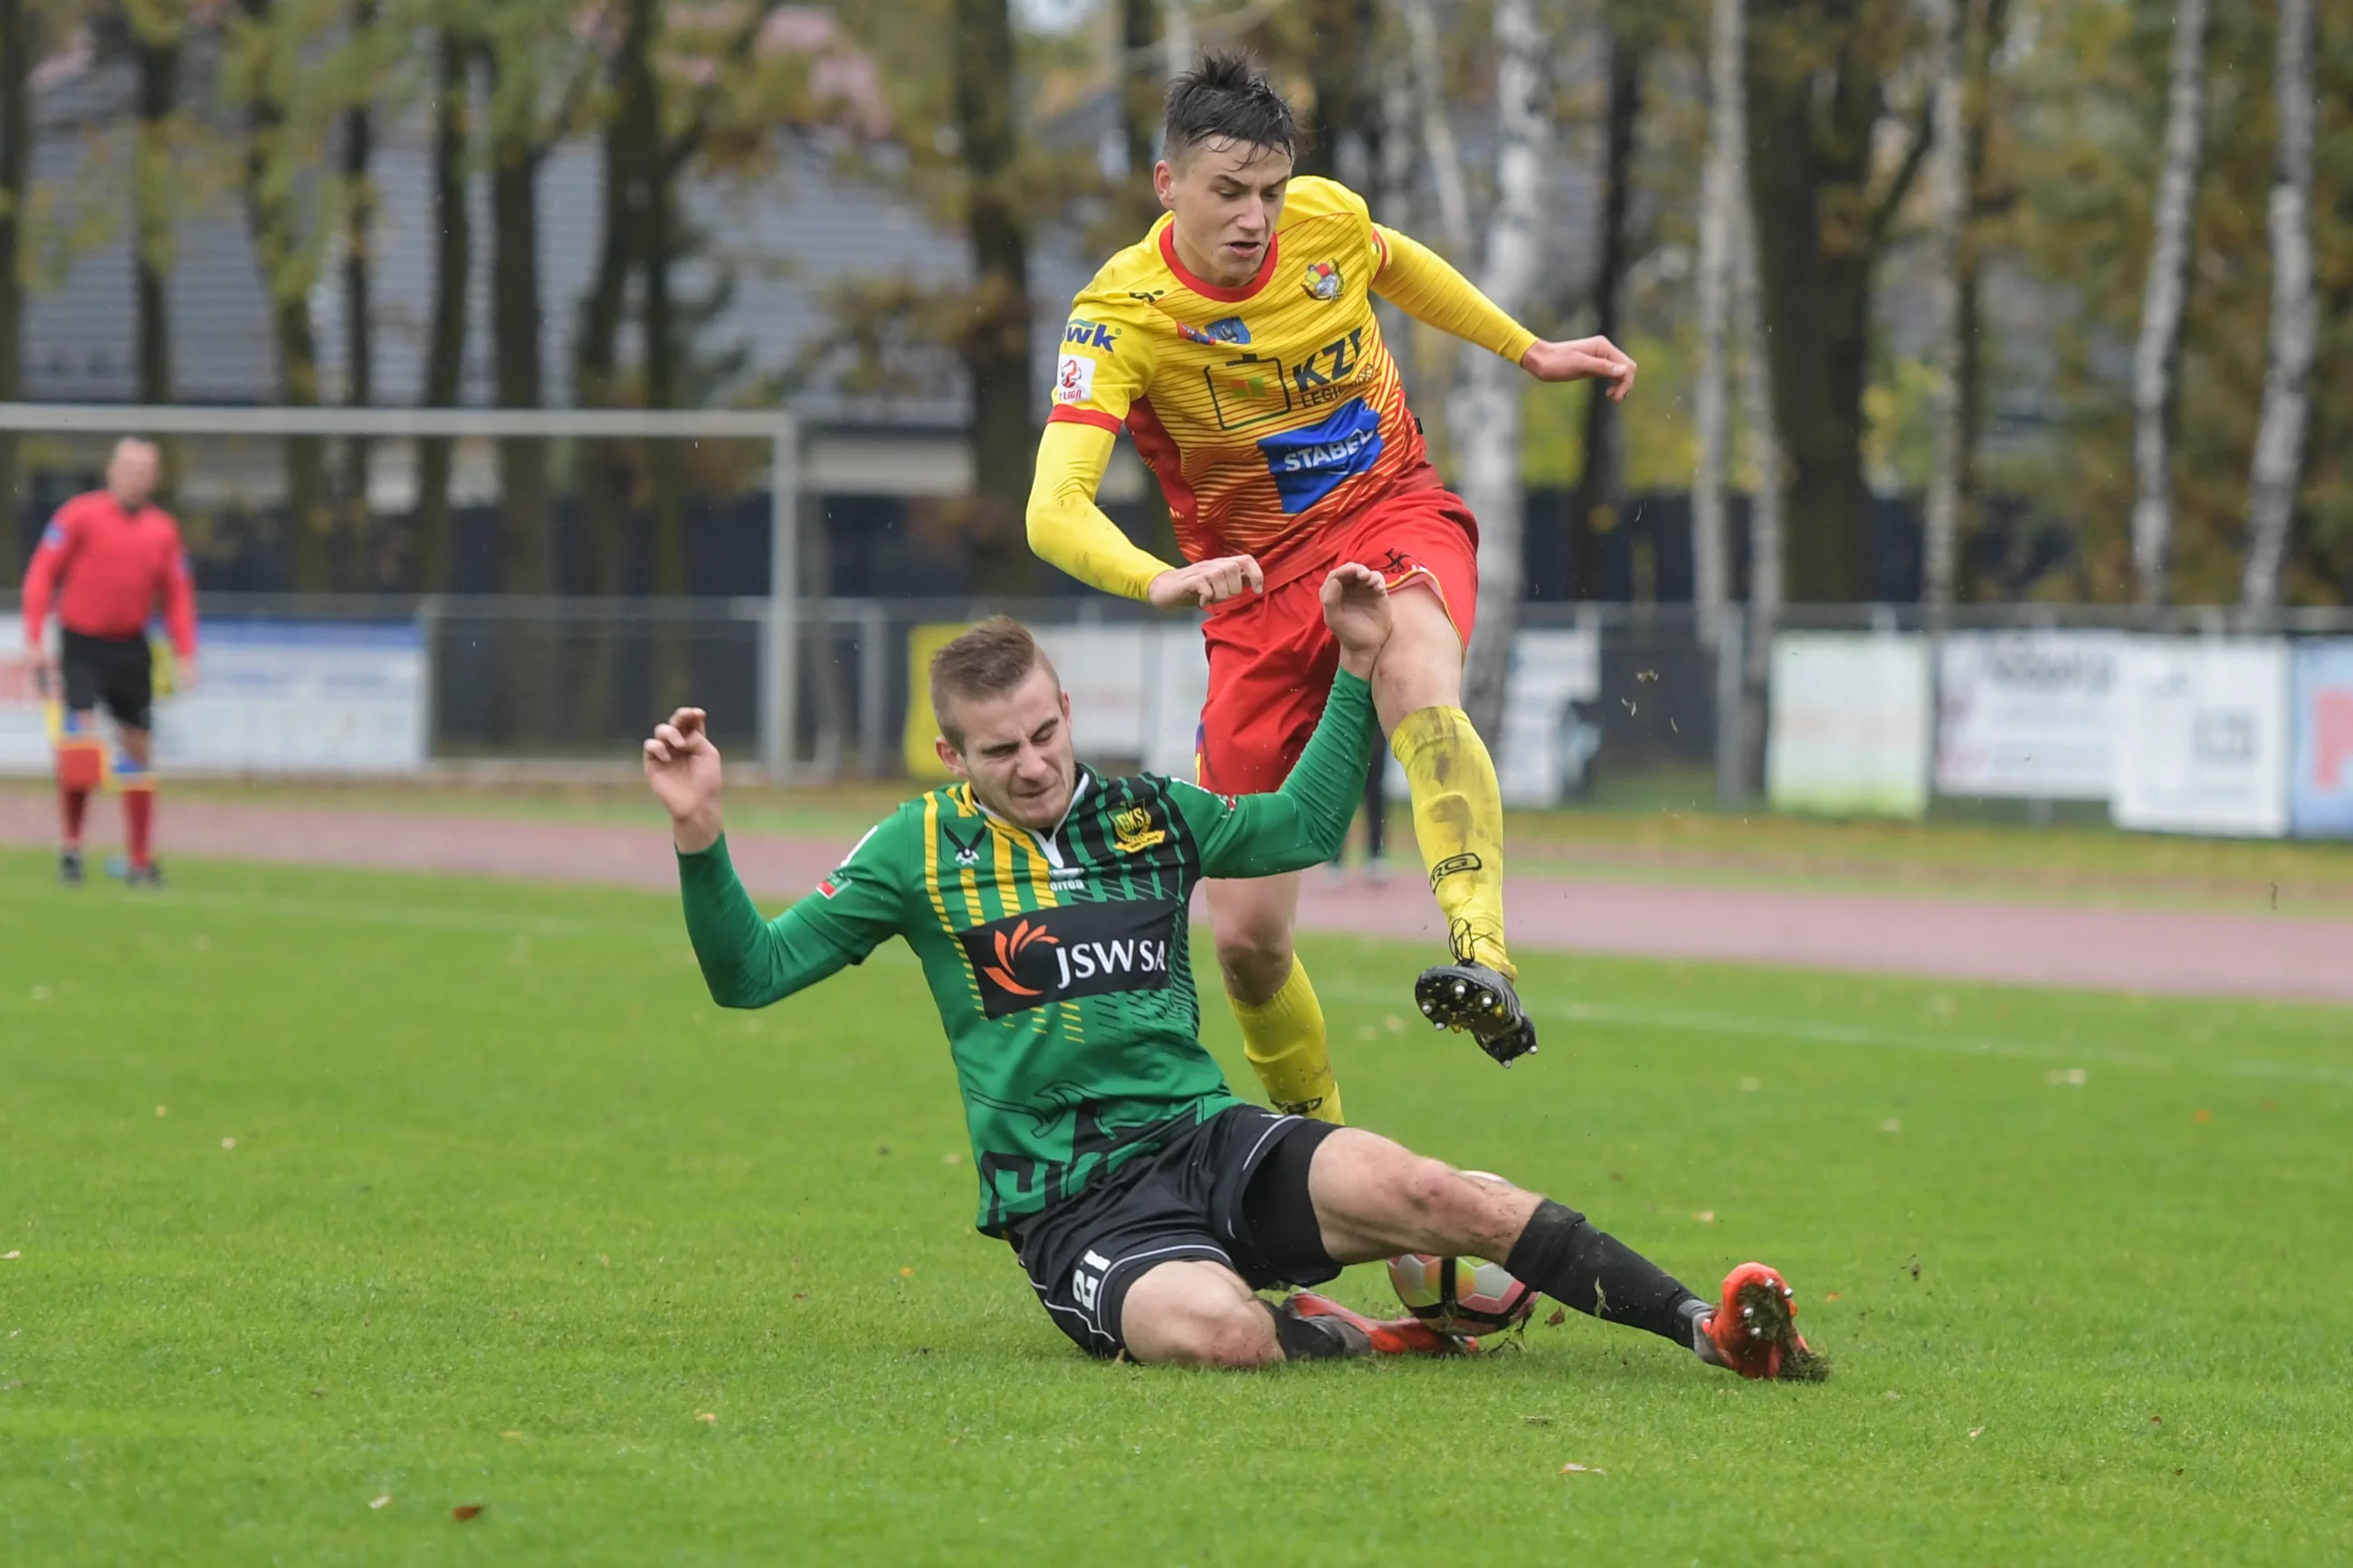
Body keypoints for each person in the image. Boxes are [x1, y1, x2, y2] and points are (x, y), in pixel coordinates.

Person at [643, 565, 1822, 1377]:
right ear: (952, 753)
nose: (1035, 765)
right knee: (1223, 1338)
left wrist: (1359, 667)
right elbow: (751, 972)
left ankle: (1713, 1331)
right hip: (1076, 1204)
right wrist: (702, 837)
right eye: (999, 752)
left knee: (1439, 1194)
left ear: (1064, 705)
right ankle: (1371, 1337)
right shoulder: (917, 849)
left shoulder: (1147, 813)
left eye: (1045, 733)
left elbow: (1305, 824)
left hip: (1210, 1139)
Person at [1024, 51, 1638, 1125]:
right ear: (1166, 185)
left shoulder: (1325, 220)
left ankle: (1481, 950)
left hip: (1386, 511)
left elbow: (1391, 262)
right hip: (1251, 592)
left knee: (1413, 662)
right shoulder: (1118, 313)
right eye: (1228, 192)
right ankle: (1324, 1155)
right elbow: (1052, 508)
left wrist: (1524, 350)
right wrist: (1158, 578)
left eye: (1268, 191)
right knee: (1248, 943)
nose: (1257, 217)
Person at [21, 437, 197, 888]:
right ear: (112, 471)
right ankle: (72, 848)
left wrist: (186, 652)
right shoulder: (79, 515)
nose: (136, 476)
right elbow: (43, 571)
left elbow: (177, 595)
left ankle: (139, 859)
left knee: (138, 748)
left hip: (130, 646)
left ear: (154, 479)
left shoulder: (163, 530)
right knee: (80, 744)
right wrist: (35, 635)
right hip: (82, 643)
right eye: (130, 467)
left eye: (145, 470)